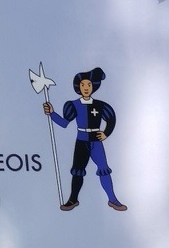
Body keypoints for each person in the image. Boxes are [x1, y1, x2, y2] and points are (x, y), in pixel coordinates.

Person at [43, 67, 127, 211]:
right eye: (83, 85)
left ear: (93, 87)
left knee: (104, 170)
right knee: (78, 171)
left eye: (89, 85)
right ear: (79, 87)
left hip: (96, 142)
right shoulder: (74, 105)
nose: (86, 88)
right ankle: (73, 199)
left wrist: (106, 133)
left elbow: (111, 118)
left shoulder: (100, 105)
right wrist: (52, 113)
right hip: (81, 142)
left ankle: (113, 199)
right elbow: (64, 123)